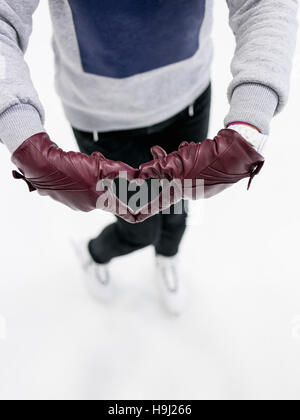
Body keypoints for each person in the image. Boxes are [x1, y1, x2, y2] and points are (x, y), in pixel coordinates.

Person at [0, 0, 297, 314]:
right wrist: (24, 139)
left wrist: (250, 121)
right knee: (138, 227)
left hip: (189, 102)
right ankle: (94, 254)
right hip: (101, 121)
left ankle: (167, 256)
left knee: (178, 210)